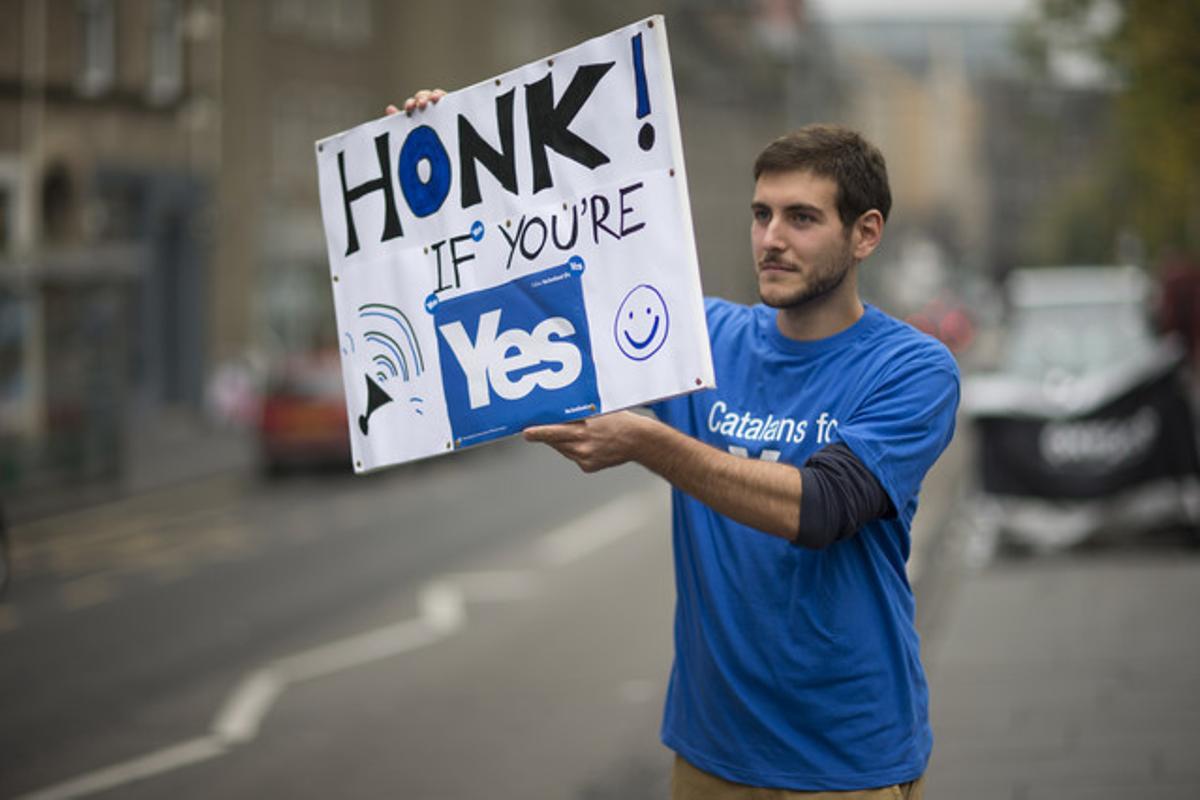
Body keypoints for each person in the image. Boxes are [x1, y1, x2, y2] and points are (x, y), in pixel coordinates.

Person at [396, 90, 959, 798]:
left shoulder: (912, 368)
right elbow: (545, 293)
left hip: (846, 759)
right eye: (761, 214)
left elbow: (821, 508)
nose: (771, 238)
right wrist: (461, 162)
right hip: (709, 755)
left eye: (802, 218)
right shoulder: (700, 338)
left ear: (865, 233)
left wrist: (649, 443)